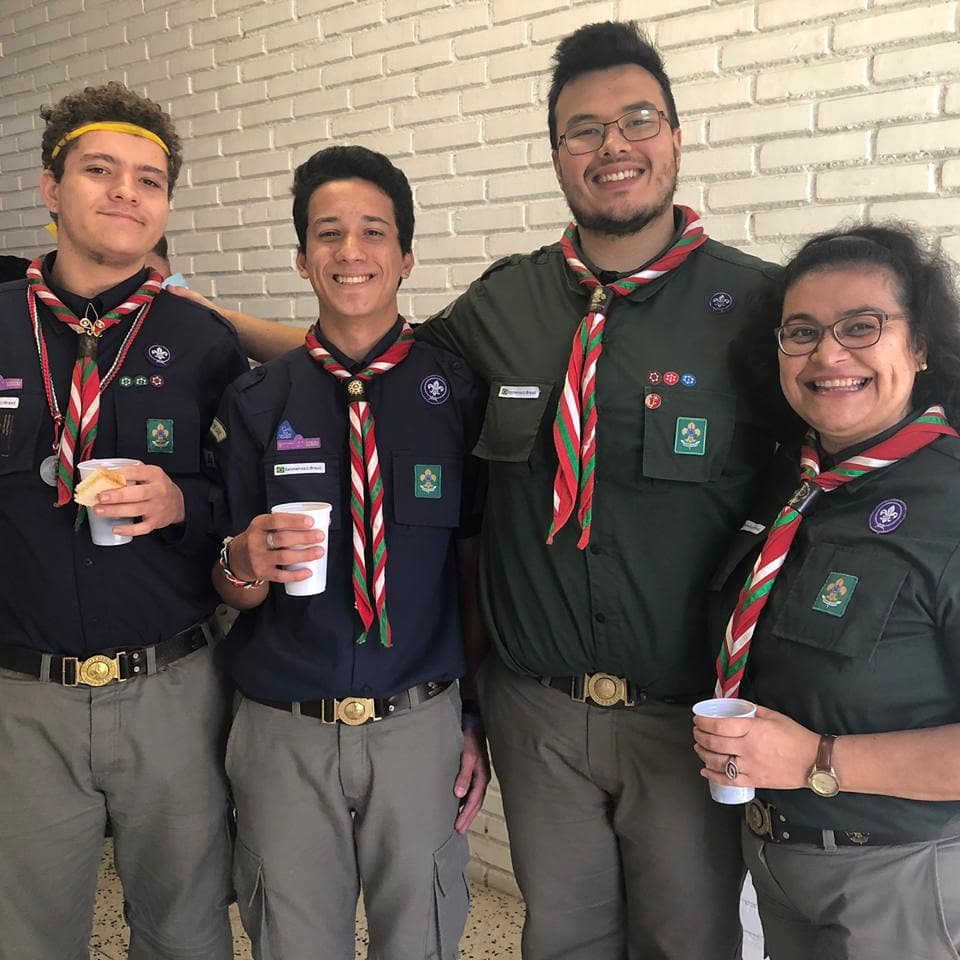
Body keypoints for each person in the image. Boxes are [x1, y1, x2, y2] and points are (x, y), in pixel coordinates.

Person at [181, 21, 780, 957]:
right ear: (556, 153)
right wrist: (210, 322)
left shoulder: (762, 307)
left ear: (674, 134)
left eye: (637, 120)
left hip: (681, 711)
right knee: (561, 936)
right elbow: (368, 349)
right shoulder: (506, 306)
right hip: (537, 713)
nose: (613, 146)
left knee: (688, 941)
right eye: (584, 129)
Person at [208, 145, 490, 960]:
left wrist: (473, 717)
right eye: (327, 233)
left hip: (418, 725)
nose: (350, 251)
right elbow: (226, 586)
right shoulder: (257, 401)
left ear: (406, 256)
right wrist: (242, 562)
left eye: (373, 231)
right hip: (284, 730)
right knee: (292, 940)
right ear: (303, 259)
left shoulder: (455, 394)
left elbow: (474, 571)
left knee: (421, 937)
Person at [0, 81, 247, 960]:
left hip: (171, 691)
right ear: (50, 187)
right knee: (26, 935)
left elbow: (244, 505)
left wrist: (186, 504)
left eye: (149, 180)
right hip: (21, 698)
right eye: (99, 170)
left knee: (186, 931)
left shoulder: (205, 339)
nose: (125, 193)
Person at [694, 223, 960, 960]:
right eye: (802, 332)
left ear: (921, 345)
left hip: (900, 876)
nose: (829, 354)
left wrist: (818, 759)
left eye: (862, 326)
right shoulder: (793, 481)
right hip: (781, 863)